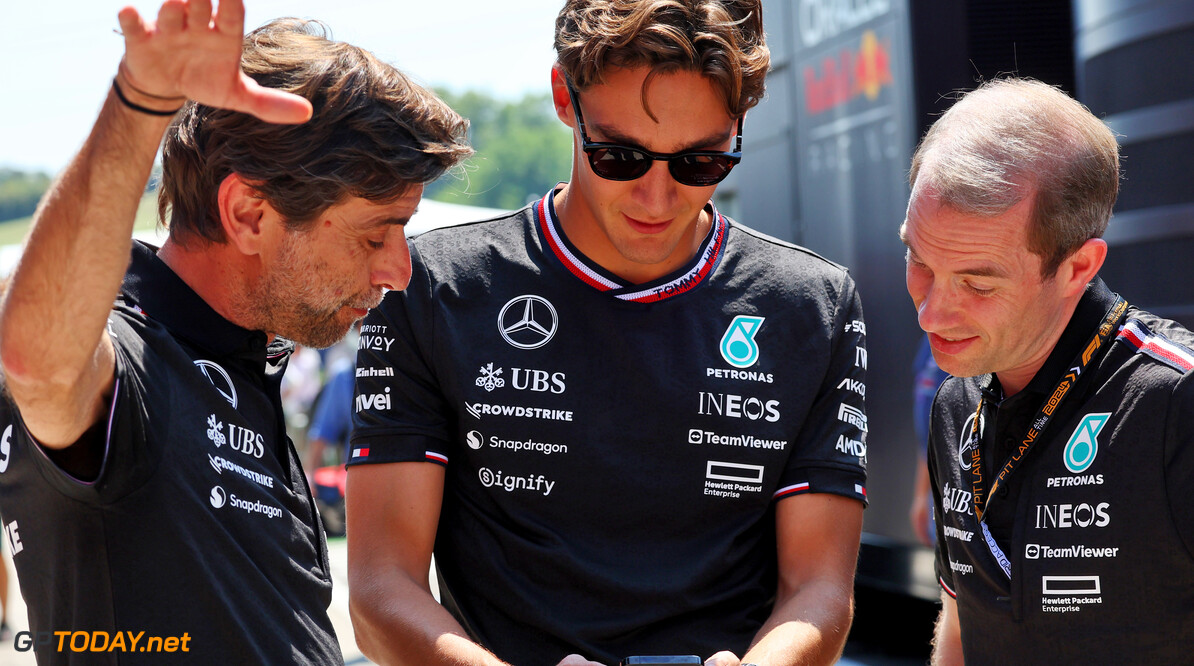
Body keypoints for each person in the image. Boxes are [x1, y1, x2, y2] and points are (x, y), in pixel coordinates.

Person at [346, 1, 869, 665]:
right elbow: (378, 587)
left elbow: (821, 588)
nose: (657, 198)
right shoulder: (432, 288)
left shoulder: (810, 306)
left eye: (701, 164)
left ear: (741, 124)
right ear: (565, 95)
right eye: (620, 157)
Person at [0, 1, 469, 663]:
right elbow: (36, 361)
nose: (399, 269)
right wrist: (139, 101)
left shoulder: (245, 360)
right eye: (375, 234)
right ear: (249, 214)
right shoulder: (132, 360)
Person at [900, 78, 1194, 664]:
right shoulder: (956, 402)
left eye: (978, 284)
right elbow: (960, 625)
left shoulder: (1175, 401)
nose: (932, 311)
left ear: (1078, 266)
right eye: (918, 259)